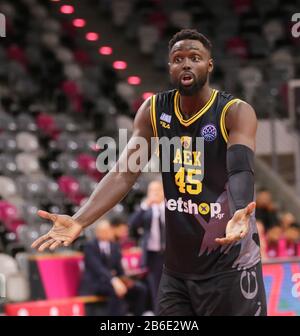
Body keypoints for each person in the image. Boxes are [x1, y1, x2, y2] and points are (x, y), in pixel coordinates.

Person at [31, 29, 267, 316]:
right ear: (170, 67)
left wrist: (241, 209)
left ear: (210, 65)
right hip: (177, 272)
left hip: (230, 264)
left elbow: (241, 167)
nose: (186, 64)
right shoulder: (153, 110)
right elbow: (123, 173)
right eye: (178, 58)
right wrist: (80, 220)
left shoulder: (235, 111)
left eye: (195, 57)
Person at [79, 219, 147, 316]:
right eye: (104, 231)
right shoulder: (89, 246)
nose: (107, 233)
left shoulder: (114, 246)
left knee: (140, 289)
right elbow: (98, 268)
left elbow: (119, 268)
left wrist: (125, 280)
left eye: (108, 230)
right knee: (115, 290)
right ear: (98, 233)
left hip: (111, 281)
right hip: (95, 283)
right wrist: (113, 280)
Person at [129, 180, 165, 312]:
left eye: (157, 190)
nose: (154, 193)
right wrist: (144, 206)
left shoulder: (170, 207)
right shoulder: (146, 210)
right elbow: (132, 224)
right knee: (155, 290)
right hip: (153, 256)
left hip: (170, 254)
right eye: (152, 191)